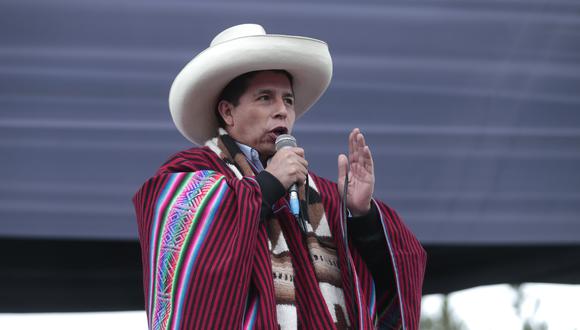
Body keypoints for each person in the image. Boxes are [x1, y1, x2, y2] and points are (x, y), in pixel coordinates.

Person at [133, 24, 426, 330]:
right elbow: (189, 259)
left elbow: (399, 267)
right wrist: (267, 186)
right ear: (227, 112)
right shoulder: (192, 172)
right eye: (264, 98)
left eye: (287, 100)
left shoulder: (321, 196)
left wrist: (360, 215)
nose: (281, 111)